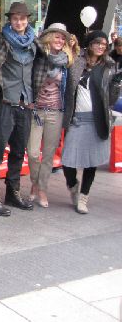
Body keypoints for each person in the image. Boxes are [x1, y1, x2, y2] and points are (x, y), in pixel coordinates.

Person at [0, 2, 37, 216]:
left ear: (27, 20)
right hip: (6, 101)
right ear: (10, 20)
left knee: (18, 151)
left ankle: (13, 192)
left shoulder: (34, 41)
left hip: (26, 103)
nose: (19, 22)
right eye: (15, 18)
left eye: (22, 18)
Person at [61, 31, 118, 214]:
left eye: (104, 44)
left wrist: (117, 85)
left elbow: (110, 99)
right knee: (67, 160)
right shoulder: (77, 61)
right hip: (77, 119)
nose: (101, 46)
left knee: (91, 162)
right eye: (98, 43)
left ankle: (83, 197)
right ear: (90, 43)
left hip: (98, 119)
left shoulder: (109, 65)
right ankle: (73, 186)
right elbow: (67, 86)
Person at [27, 23, 74, 208]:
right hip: (36, 111)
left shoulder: (67, 62)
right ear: (48, 37)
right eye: (57, 36)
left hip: (56, 112)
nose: (60, 40)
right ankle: (35, 182)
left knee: (48, 154)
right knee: (32, 153)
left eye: (63, 38)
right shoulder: (38, 57)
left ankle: (42, 188)